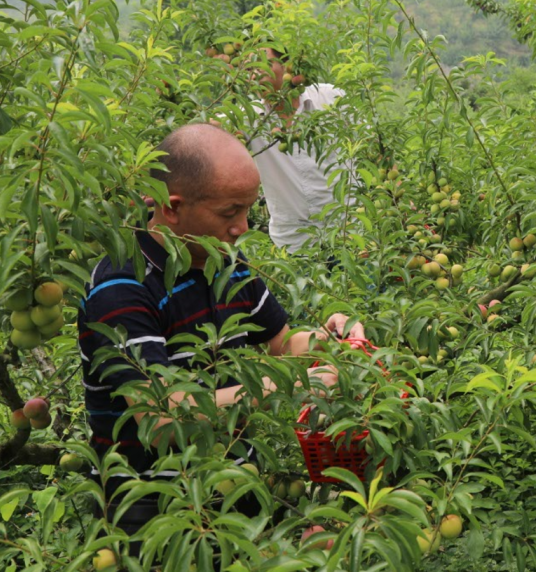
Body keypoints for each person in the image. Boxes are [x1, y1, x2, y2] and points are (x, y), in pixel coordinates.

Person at [78, 123, 366, 539]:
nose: (243, 227)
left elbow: (283, 342)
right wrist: (284, 385)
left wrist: (331, 339)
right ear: (171, 207)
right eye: (230, 212)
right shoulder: (122, 288)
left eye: (249, 209)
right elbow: (159, 419)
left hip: (234, 477)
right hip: (150, 506)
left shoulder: (227, 261)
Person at [246, 47, 355, 252]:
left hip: (350, 232)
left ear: (287, 64)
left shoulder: (332, 98)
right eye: (251, 67)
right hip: (294, 243)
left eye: (265, 64)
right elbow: (208, 133)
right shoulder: (248, 118)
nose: (256, 73)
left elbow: (374, 146)